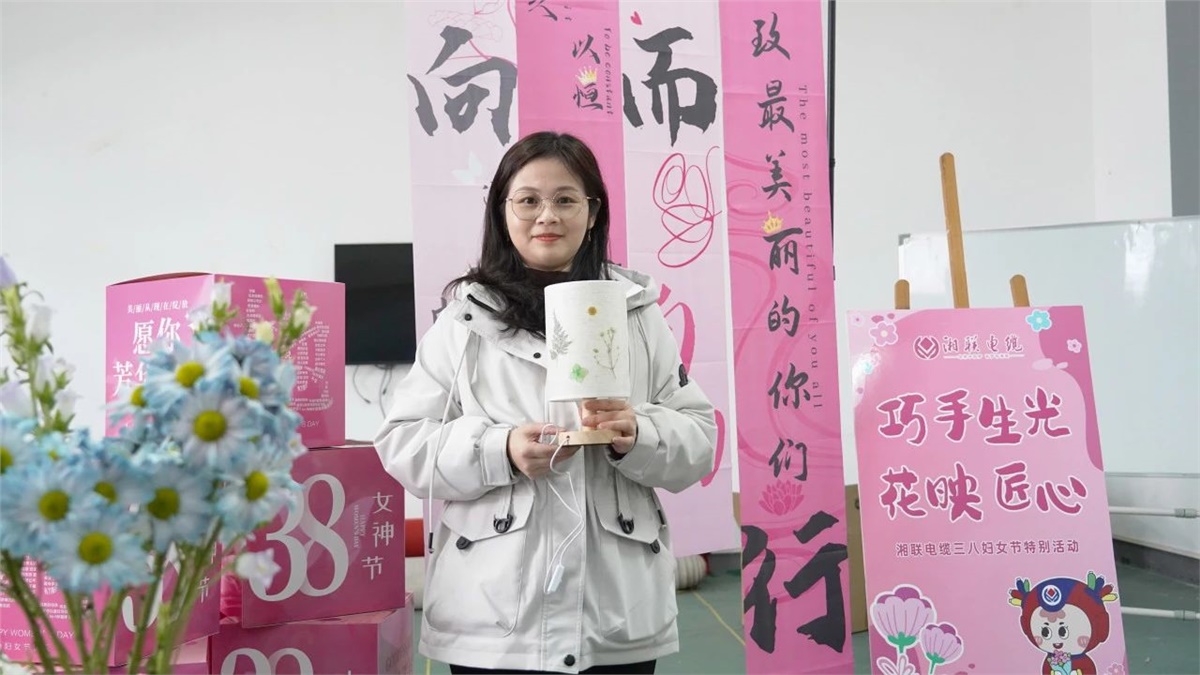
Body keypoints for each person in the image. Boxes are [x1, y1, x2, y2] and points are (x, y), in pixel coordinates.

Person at [374, 131, 717, 674]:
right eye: (528, 200)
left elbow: (698, 438)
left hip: (617, 614)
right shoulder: (466, 319)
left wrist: (639, 434)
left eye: (565, 199)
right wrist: (501, 450)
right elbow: (404, 443)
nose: (547, 216)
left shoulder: (636, 313)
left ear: (592, 212)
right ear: (502, 211)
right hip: (492, 619)